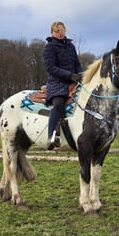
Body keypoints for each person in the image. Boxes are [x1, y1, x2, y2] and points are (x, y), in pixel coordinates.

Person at [43, 21, 83, 150]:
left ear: (65, 30)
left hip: (73, 81)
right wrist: (70, 75)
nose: (60, 34)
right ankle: (51, 136)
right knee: (59, 103)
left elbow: (77, 63)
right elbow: (51, 68)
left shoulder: (70, 46)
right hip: (57, 83)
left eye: (61, 31)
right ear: (52, 33)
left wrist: (80, 74)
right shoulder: (49, 47)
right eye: (56, 31)